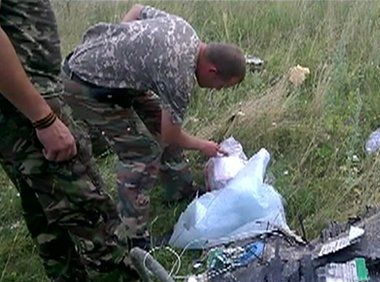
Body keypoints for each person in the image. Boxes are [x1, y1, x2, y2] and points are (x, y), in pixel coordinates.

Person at [62, 4, 246, 248]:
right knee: (142, 153)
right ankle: (134, 239)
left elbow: (137, 10)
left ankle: (180, 190)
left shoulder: (186, 31)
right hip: (84, 83)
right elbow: (171, 135)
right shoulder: (180, 76)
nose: (217, 91)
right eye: (220, 86)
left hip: (107, 72)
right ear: (212, 70)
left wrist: (122, 48)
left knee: (158, 118)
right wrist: (204, 146)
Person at [0, 0, 141, 282]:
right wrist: (43, 119)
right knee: (89, 209)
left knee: (44, 209)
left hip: (17, 105)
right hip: (28, 104)